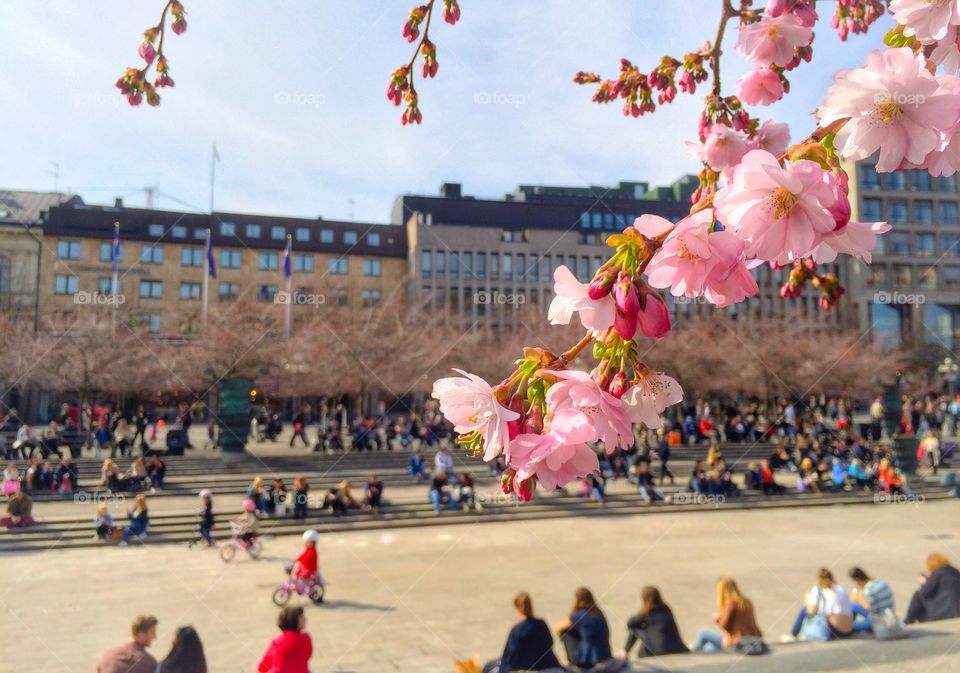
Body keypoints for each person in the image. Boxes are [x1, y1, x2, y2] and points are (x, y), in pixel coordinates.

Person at [484, 592, 562, 673]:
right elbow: (550, 643)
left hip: (524, 668)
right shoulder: (541, 625)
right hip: (548, 666)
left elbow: (509, 656)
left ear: (518, 608)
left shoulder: (517, 630)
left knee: (489, 666)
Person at [690, 577, 762, 652]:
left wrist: (718, 618)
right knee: (708, 648)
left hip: (737, 641)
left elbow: (724, 624)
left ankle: (691, 649)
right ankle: (697, 648)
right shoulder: (746, 601)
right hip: (754, 638)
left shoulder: (731, 602)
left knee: (703, 633)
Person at [622, 586, 688, 659]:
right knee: (640, 625)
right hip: (676, 648)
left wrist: (642, 613)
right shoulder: (666, 608)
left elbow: (630, 623)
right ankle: (625, 651)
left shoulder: (646, 612)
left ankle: (625, 651)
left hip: (655, 653)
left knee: (636, 627)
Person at [787, 568, 853, 640]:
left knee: (804, 609)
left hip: (835, 630)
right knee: (853, 607)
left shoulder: (819, 590)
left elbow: (811, 611)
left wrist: (807, 600)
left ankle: (793, 634)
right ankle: (866, 624)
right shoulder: (840, 589)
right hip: (848, 630)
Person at [554, 587, 612, 670]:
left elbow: (558, 627)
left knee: (565, 631)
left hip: (586, 660)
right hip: (605, 654)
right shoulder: (599, 613)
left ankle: (572, 661)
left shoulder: (579, 614)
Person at [904, 553, 960, 624]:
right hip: (956, 612)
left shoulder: (937, 574)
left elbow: (924, 593)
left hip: (941, 614)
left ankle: (907, 621)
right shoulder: (955, 572)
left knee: (917, 594)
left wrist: (924, 583)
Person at [257, 606, 312, 673]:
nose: (305, 619)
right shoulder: (305, 639)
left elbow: (263, 664)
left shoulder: (276, 642)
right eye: (302, 616)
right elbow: (308, 655)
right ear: (295, 622)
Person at [849, 566, 895, 632]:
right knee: (854, 605)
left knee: (853, 605)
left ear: (857, 580)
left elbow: (872, 609)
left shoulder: (868, 590)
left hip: (880, 620)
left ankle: (847, 626)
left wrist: (858, 598)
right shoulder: (879, 581)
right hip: (889, 614)